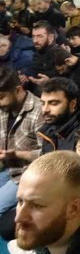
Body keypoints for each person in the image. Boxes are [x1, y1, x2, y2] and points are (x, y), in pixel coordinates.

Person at [0, 67, 42, 216]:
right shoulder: (4, 108)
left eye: (1, 97)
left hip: (27, 174)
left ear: (18, 90)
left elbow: (49, 155)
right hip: (7, 169)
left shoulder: (40, 110)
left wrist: (17, 154)